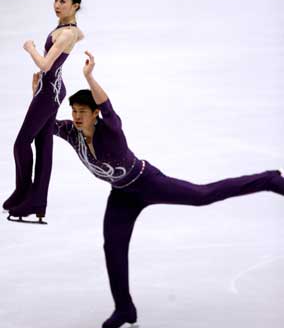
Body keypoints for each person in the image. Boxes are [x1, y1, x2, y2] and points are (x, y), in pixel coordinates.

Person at [35, 51, 284, 328]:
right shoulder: (72, 133)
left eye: (83, 111)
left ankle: (269, 180)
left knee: (202, 195)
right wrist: (39, 97)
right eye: (74, 111)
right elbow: (43, 125)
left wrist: (89, 77)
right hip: (121, 195)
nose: (77, 116)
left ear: (95, 114)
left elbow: (109, 106)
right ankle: (125, 308)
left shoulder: (111, 131)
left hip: (147, 182)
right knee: (113, 247)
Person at [3, 0, 85, 223]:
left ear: (75, 6)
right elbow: (80, 36)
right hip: (49, 89)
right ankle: (33, 199)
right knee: (42, 145)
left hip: (49, 92)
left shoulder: (67, 32)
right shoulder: (67, 29)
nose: (57, 5)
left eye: (63, 2)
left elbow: (46, 65)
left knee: (21, 143)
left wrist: (31, 49)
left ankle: (26, 193)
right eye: (56, 0)